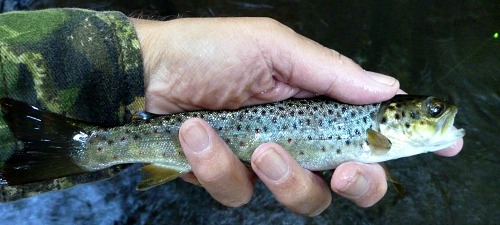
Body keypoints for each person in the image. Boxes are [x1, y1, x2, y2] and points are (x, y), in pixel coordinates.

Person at [0, 8, 463, 216]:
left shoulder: (383, 142)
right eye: (433, 110)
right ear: (396, 117)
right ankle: (85, 147)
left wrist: (148, 65)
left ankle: (85, 147)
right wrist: (150, 65)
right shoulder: (376, 134)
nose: (441, 116)